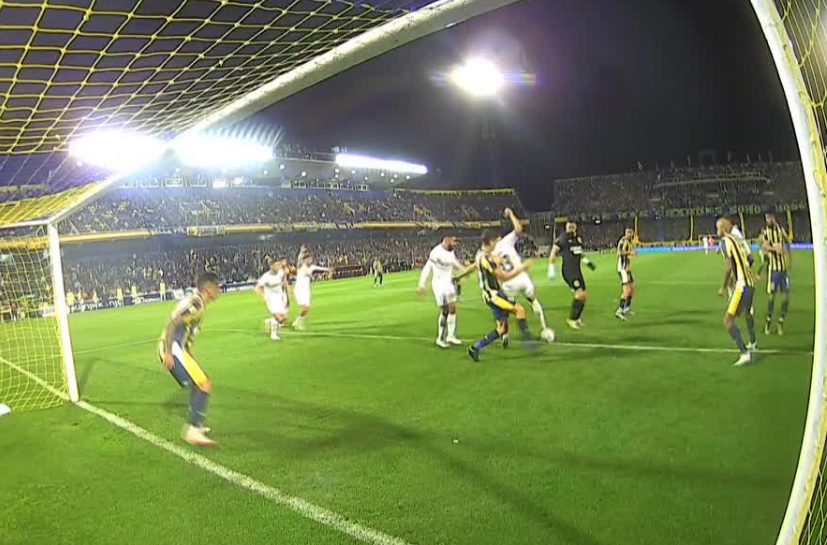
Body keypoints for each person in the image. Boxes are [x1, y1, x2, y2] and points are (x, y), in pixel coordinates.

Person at [158, 272, 221, 446]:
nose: (219, 289)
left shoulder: (198, 303)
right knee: (204, 384)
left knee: (199, 384)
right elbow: (173, 323)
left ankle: (196, 425)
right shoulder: (196, 304)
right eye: (217, 286)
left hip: (178, 348)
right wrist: (169, 352)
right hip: (173, 348)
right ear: (208, 289)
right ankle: (193, 430)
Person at [467, 230, 536, 362]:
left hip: (491, 295)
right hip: (494, 296)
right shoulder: (486, 258)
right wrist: (522, 268)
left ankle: (476, 348)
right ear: (491, 241)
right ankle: (530, 343)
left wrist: (498, 262)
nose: (497, 245)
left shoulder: (481, 255)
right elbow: (502, 277)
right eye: (496, 242)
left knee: (502, 328)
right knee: (520, 310)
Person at [494, 208, 550, 343]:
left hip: (508, 284)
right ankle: (544, 328)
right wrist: (511, 214)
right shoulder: (505, 241)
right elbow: (519, 229)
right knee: (533, 300)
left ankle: (504, 334)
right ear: (498, 238)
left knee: (506, 308)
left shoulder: (490, 253)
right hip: (522, 278)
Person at [717, 217, 757, 367]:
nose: (717, 231)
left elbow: (728, 267)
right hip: (751, 283)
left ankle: (744, 352)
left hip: (742, 285)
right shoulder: (737, 238)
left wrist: (723, 286)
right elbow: (749, 258)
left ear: (723, 229)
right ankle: (753, 342)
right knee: (746, 313)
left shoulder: (725, 241)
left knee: (728, 321)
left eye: (718, 228)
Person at [417, 235, 466, 348]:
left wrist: (464, 270)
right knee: (445, 310)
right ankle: (440, 338)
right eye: (454, 241)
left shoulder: (451, 252)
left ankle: (450, 336)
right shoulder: (436, 252)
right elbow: (427, 268)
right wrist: (421, 285)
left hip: (448, 283)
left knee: (453, 308)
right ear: (446, 240)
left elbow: (454, 263)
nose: (455, 245)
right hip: (438, 284)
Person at [548, 221, 596, 330]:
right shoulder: (562, 239)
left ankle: (577, 318)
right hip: (569, 271)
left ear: (576, 227)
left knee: (583, 296)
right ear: (566, 227)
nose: (571, 228)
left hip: (577, 271)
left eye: (573, 226)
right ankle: (571, 319)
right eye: (569, 226)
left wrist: (588, 262)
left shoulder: (578, 239)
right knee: (579, 295)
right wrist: (551, 268)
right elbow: (553, 253)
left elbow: (580, 253)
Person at [761, 213, 791, 335]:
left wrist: (788, 255)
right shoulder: (767, 232)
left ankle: (780, 321)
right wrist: (774, 248)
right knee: (771, 297)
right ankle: (768, 321)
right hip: (773, 271)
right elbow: (764, 247)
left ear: (773, 218)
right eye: (766, 218)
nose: (767, 220)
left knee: (786, 297)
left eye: (769, 217)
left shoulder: (780, 229)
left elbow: (788, 242)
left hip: (783, 270)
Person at [292, 248, 332, 331]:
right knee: (305, 308)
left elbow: (320, 268)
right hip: (299, 290)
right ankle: (297, 322)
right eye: (308, 259)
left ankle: (297, 322)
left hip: (306, 290)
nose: (310, 260)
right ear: (305, 260)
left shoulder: (312, 267)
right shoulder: (301, 266)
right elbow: (299, 260)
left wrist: (328, 270)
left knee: (307, 309)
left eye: (311, 259)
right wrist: (301, 252)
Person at [256, 258, 289, 341]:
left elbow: (284, 281)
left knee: (284, 318)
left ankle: (269, 321)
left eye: (279, 265)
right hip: (271, 299)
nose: (279, 267)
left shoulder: (281, 273)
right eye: (276, 265)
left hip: (280, 297)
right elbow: (257, 288)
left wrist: (286, 290)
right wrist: (264, 296)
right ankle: (273, 334)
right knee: (279, 318)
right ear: (271, 266)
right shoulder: (266, 277)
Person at [615, 227, 637, 320]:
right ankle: (619, 311)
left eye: (630, 232)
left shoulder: (630, 242)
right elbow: (619, 253)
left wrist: (631, 254)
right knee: (627, 290)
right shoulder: (623, 241)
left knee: (632, 289)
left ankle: (627, 308)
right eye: (627, 232)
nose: (629, 234)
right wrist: (631, 253)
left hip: (627, 269)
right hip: (623, 269)